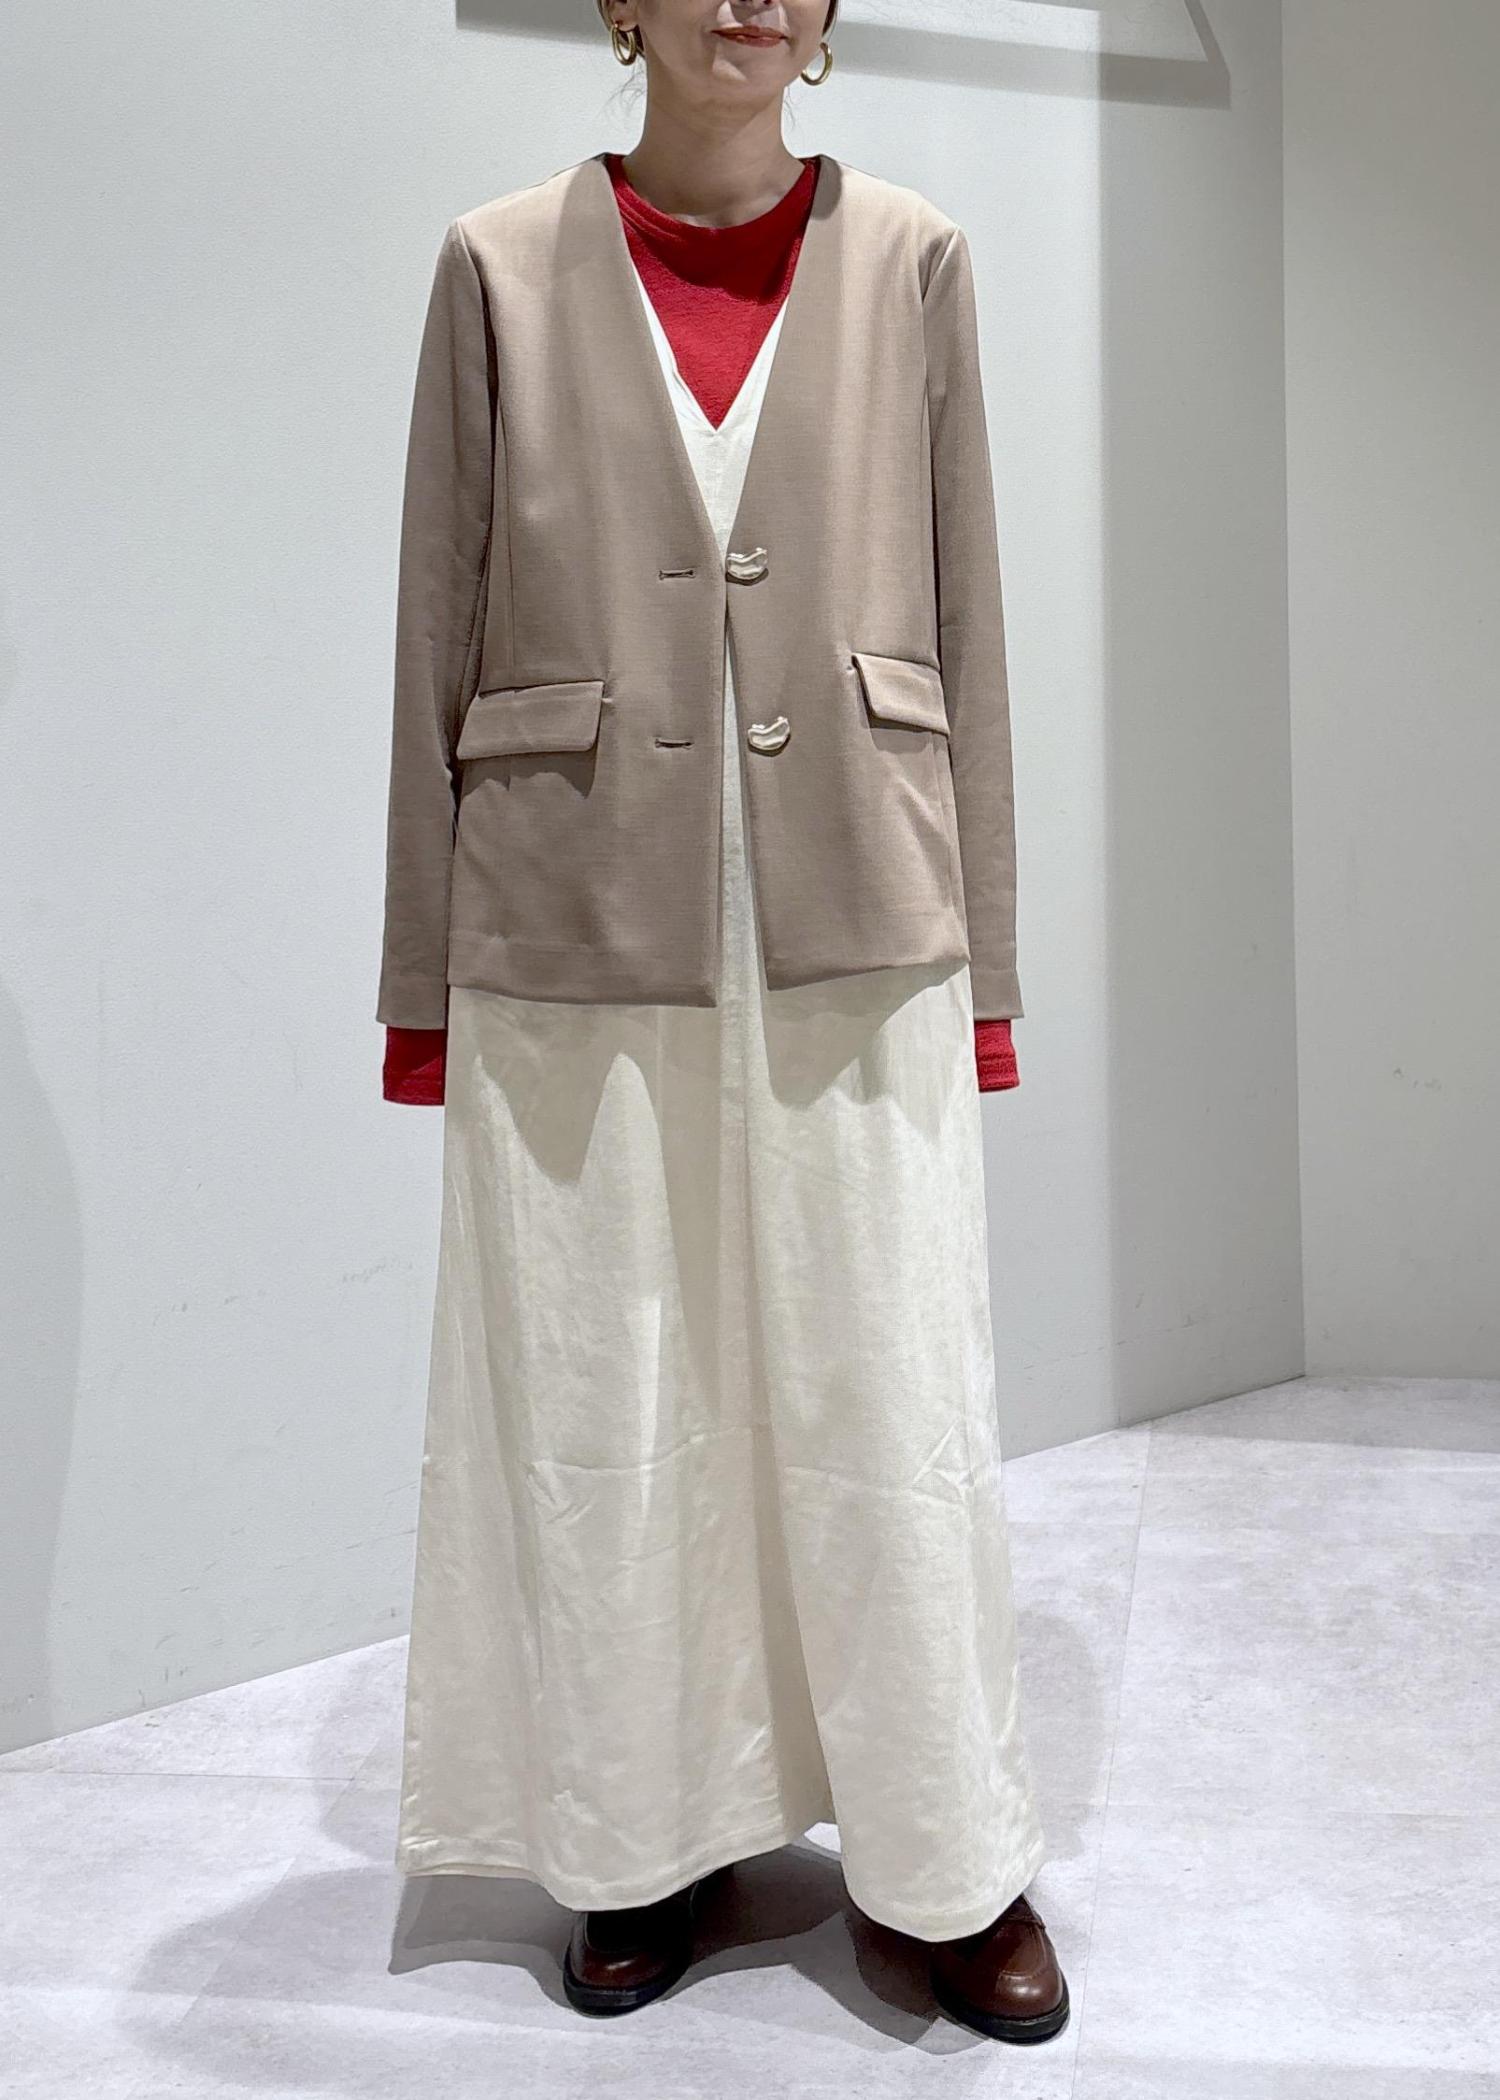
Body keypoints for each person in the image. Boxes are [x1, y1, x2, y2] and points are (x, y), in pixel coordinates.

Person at [376, 0, 1068, 2045]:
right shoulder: (497, 264)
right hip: (573, 908)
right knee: (608, 1380)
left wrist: (990, 966)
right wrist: (418, 986)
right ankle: (643, 1835)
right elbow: (435, 619)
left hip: (864, 899)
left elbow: (970, 620)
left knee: (887, 1386)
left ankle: (942, 1858)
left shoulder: (914, 256)